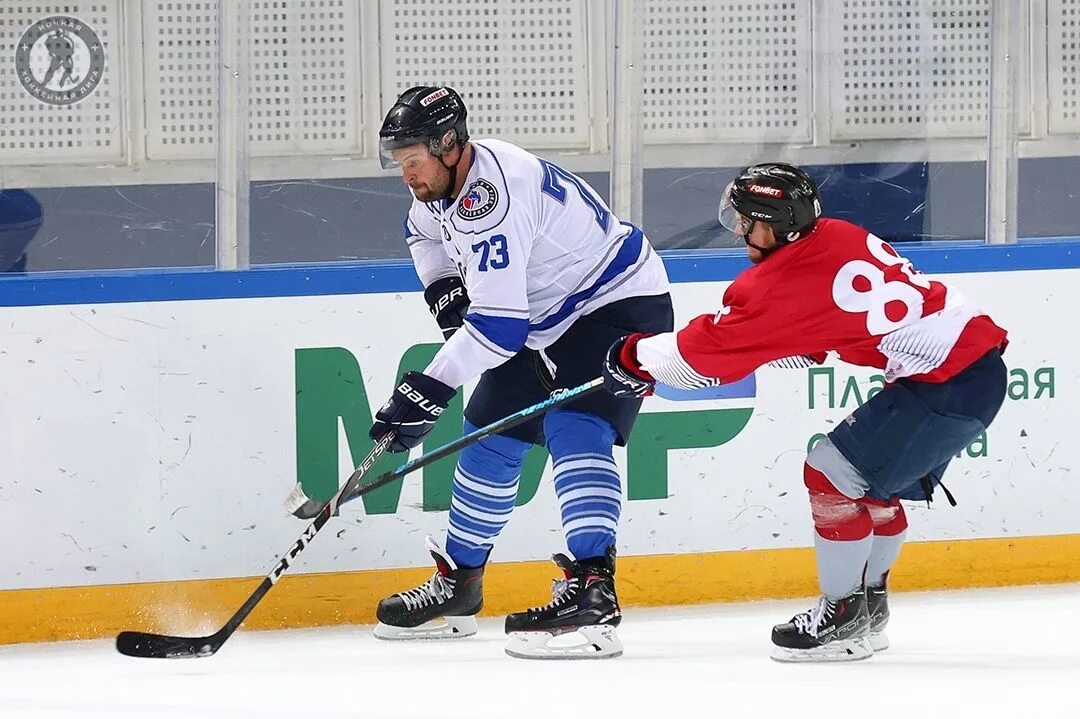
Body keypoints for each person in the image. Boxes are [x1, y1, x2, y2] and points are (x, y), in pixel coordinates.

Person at [602, 162, 1008, 662]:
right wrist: (801, 340)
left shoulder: (775, 286)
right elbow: (836, 314)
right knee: (865, 486)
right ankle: (868, 607)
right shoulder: (836, 234)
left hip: (947, 384)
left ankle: (842, 614)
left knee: (829, 474)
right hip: (969, 371)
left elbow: (698, 361)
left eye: (745, 220)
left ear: (772, 226)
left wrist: (632, 357)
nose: (738, 229)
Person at [368, 86, 673, 659]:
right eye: (399, 161)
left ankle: (592, 593)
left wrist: (428, 387)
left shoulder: (491, 199)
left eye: (413, 159)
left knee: (575, 427)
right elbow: (422, 234)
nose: (406, 174)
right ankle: (459, 587)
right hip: (544, 318)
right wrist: (444, 293)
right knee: (489, 434)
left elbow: (500, 332)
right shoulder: (438, 186)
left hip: (615, 302)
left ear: (450, 144)